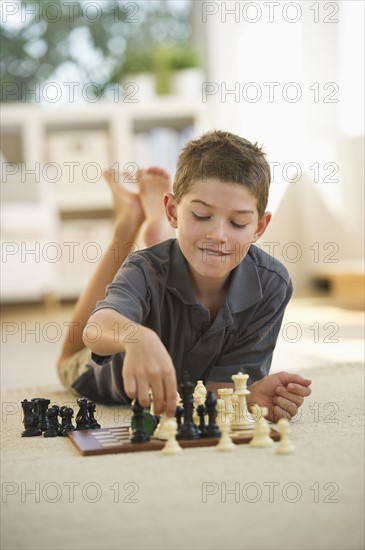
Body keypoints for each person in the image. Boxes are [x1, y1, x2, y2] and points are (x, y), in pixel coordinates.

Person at [57, 130, 311, 422]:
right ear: (173, 209)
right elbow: (95, 330)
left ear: (260, 227)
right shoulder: (145, 268)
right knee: (67, 357)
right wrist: (136, 337)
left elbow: (220, 388)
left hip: (186, 384)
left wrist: (249, 396)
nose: (218, 235)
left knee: (174, 255)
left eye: (238, 222)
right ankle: (127, 222)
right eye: (202, 216)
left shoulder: (271, 284)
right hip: (96, 370)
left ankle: (154, 225)